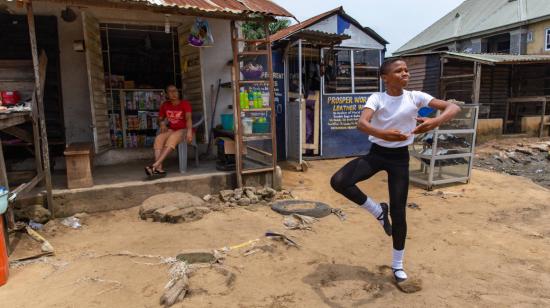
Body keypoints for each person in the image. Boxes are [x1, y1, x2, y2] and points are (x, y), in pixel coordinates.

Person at [330, 58, 460, 283]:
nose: (405, 73)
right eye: (399, 71)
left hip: (399, 159)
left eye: (406, 70)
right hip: (377, 154)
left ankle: (398, 265)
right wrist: (384, 134)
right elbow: (362, 123)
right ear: (385, 78)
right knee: (339, 181)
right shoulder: (377, 98)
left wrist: (435, 122)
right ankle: (377, 210)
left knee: (399, 213)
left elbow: (453, 107)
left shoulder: (415, 97)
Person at [145, 85, 193, 177]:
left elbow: (188, 118)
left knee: (173, 137)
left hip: (184, 130)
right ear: (167, 95)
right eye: (170, 92)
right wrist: (162, 123)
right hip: (172, 130)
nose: (173, 93)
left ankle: (155, 165)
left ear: (178, 92)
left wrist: (190, 131)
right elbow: (159, 119)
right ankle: (158, 169)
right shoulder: (165, 105)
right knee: (158, 138)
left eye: (175, 91)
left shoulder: (185, 104)